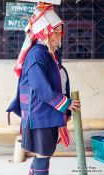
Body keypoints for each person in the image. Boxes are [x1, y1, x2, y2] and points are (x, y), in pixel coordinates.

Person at [7, 2, 80, 175]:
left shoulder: (51, 53)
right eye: (54, 31)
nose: (58, 35)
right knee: (44, 154)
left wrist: (64, 111)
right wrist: (64, 104)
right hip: (39, 113)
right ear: (43, 33)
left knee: (44, 154)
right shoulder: (37, 54)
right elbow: (41, 86)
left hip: (47, 112)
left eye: (59, 31)